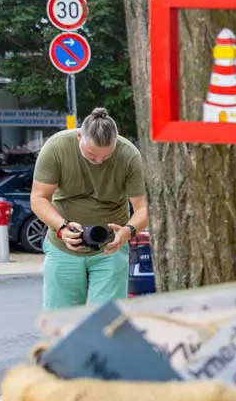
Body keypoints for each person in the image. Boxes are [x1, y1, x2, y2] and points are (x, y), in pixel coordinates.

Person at [30, 107, 148, 309]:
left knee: (108, 324)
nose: (99, 161)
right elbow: (39, 198)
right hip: (62, 248)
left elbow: (143, 207)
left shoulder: (129, 155)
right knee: (61, 324)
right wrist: (62, 227)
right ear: (79, 137)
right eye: (92, 156)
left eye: (106, 156)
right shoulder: (57, 147)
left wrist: (128, 232)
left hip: (110, 249)